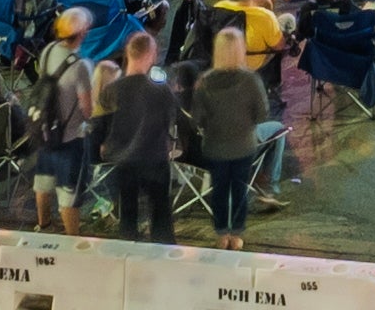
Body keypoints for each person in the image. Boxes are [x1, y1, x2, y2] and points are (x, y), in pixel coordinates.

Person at [187, 27, 273, 251]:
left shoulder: (205, 82)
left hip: (215, 147)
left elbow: (196, 120)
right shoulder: (251, 80)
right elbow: (263, 114)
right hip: (244, 146)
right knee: (239, 190)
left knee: (219, 191)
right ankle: (236, 234)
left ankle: (221, 233)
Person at [97, 27, 181, 244]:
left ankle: (127, 259)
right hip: (154, 158)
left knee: (128, 214)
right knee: (161, 215)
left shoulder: (112, 89)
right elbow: (171, 120)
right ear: (150, 55)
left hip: (123, 160)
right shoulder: (160, 89)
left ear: (128, 54)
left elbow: (102, 125)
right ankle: (164, 258)